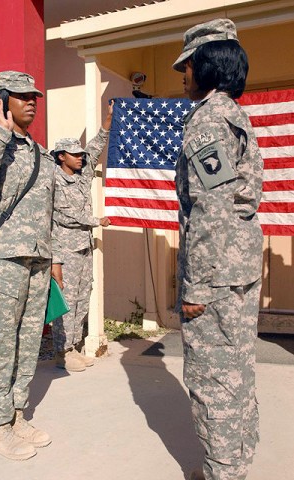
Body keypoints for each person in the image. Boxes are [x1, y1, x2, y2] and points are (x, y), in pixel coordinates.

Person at [173, 19, 263, 480]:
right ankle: (236, 465)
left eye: (186, 66)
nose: (182, 76)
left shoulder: (208, 120)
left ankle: (222, 473)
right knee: (238, 373)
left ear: (204, 64)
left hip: (216, 275)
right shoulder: (235, 115)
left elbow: (211, 208)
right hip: (241, 269)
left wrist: (197, 286)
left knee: (213, 381)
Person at [0, 71, 62, 460]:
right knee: (0, 343)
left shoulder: (42, 155)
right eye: (22, 96)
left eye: (35, 97)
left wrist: (54, 256)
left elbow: (49, 212)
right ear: (2, 100)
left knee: (28, 342)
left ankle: (16, 414)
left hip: (37, 260)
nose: (31, 102)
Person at [51, 101, 113, 372]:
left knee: (81, 296)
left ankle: (73, 346)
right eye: (74, 154)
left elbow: (96, 146)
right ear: (61, 156)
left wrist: (108, 121)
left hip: (83, 246)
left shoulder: (81, 174)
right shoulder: (53, 180)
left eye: (79, 153)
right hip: (64, 250)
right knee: (65, 301)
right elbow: (65, 215)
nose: (80, 157)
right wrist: (96, 220)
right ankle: (61, 351)